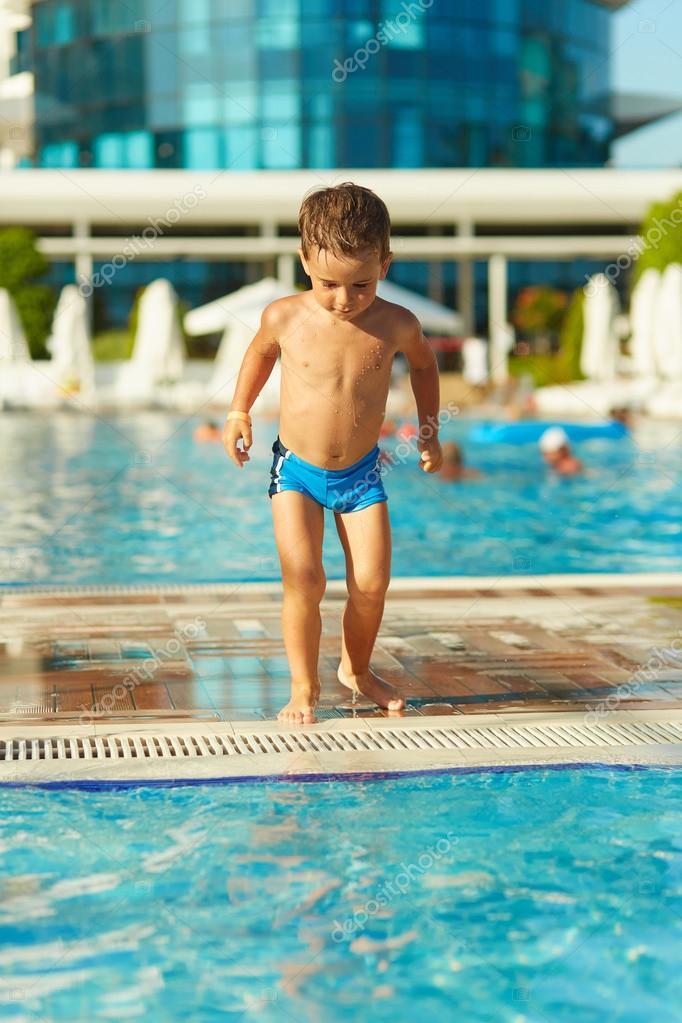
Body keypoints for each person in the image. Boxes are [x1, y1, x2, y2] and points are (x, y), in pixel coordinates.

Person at [222, 182, 442, 724]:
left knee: (371, 583)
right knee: (305, 578)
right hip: (296, 470)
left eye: (361, 284)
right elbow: (259, 354)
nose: (345, 299)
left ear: (385, 264)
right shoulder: (284, 316)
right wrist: (238, 410)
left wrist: (429, 430)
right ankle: (303, 687)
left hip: (361, 475)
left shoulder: (397, 323)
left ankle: (357, 670)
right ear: (304, 260)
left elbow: (423, 365)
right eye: (328, 284)